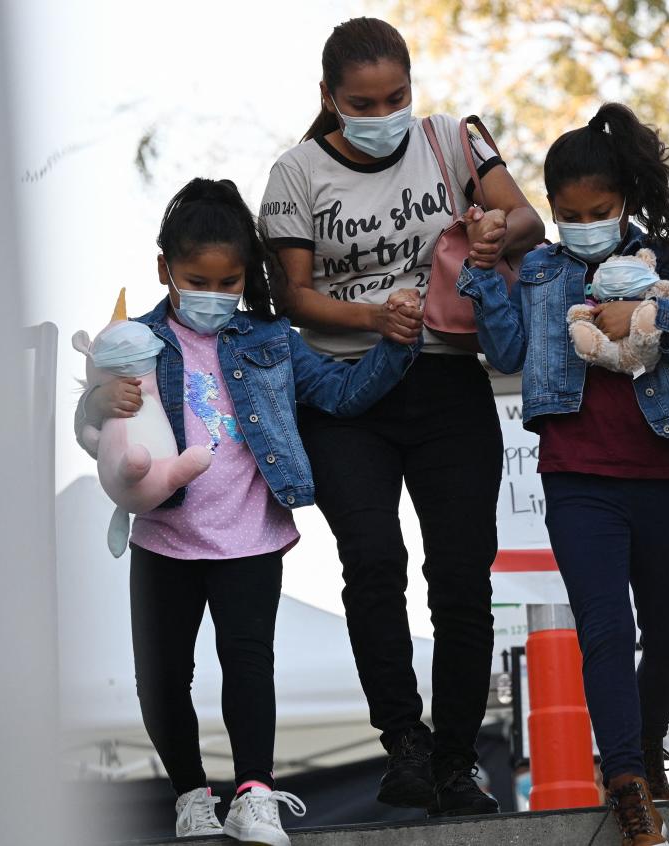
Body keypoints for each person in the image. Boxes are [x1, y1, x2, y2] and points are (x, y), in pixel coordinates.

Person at [74, 178, 420, 844]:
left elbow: (342, 395)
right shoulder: (134, 340)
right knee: (162, 676)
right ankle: (191, 798)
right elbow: (87, 418)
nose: (213, 294)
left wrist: (396, 345)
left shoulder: (271, 340)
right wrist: (98, 404)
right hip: (164, 537)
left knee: (248, 660)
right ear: (164, 270)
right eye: (196, 279)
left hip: (250, 535)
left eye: (228, 281)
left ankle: (255, 794)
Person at [259, 17, 544, 817]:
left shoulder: (454, 140)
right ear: (328, 98)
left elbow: (527, 220)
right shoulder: (294, 173)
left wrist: (494, 231)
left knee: (460, 575)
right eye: (361, 101)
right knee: (373, 564)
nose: (381, 112)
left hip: (448, 383)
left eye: (396, 97)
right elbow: (293, 297)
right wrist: (373, 318)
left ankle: (457, 760)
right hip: (346, 395)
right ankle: (404, 747)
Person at [459, 103, 669, 846]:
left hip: (663, 466)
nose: (583, 224)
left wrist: (651, 316)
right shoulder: (539, 269)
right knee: (608, 628)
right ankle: (628, 776)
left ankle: (636, 751)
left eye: (598, 211)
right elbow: (506, 352)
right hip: (577, 475)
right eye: (567, 213)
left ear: (626, 203)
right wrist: (483, 274)